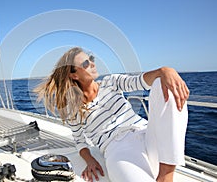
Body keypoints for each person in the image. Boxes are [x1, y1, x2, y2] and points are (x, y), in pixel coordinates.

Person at [35, 47, 189, 182]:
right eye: (85, 64)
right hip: (117, 149)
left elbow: (140, 81)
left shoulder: (111, 82)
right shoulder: (73, 109)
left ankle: (166, 175)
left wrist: (164, 70)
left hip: (146, 133)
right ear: (74, 75)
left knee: (163, 83)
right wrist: (90, 161)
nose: (93, 64)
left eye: (91, 59)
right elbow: (80, 142)